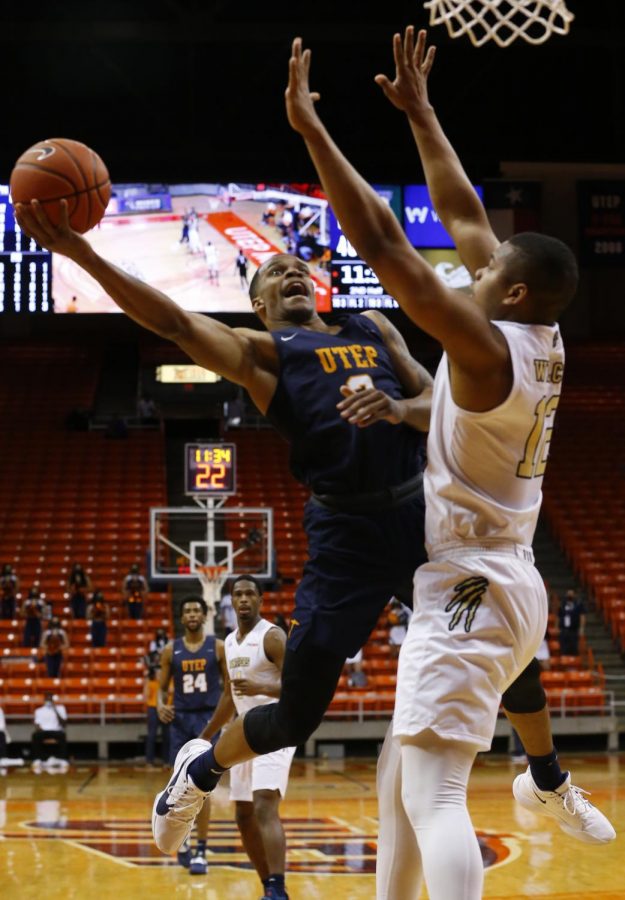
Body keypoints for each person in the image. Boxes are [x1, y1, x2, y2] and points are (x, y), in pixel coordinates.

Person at [13, 130, 599, 865]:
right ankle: (197, 771)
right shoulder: (263, 356)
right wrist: (81, 253)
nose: (291, 272)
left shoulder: (371, 326)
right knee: (292, 717)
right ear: (256, 305)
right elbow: (169, 321)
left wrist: (396, 410)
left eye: (298, 267)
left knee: (509, 653)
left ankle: (547, 774)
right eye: (275, 275)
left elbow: (433, 401)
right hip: (345, 534)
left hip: (423, 518)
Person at [282, 29, 615, 897]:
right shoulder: (528, 333)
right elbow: (465, 214)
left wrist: (314, 133)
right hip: (500, 578)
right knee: (402, 770)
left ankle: (527, 804)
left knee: (433, 791)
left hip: (471, 582)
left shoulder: (477, 346)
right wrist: (423, 115)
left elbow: (388, 244)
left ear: (505, 292)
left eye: (488, 267)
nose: (472, 258)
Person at [201, 577, 295, 900]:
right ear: (230, 601)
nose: (243, 599)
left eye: (249, 594)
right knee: (242, 815)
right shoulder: (228, 642)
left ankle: (279, 890)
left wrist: (263, 688)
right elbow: (229, 695)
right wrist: (205, 736)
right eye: (238, 594)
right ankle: (268, 885)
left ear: (260, 600)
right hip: (245, 732)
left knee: (264, 805)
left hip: (275, 729)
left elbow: (301, 690)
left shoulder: (272, 637)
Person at [156, 596, 226, 875]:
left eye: (197, 609)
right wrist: (161, 704)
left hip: (207, 720)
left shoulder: (218, 647)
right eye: (187, 611)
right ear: (181, 618)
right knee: (178, 787)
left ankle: (201, 849)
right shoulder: (170, 650)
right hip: (181, 721)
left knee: (202, 789)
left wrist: (224, 717)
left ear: (205, 615)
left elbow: (228, 688)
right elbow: (160, 687)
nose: (193, 614)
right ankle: (182, 838)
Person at [32, 693, 69, 773]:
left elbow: (64, 724)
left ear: (53, 700)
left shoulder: (61, 708)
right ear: (44, 700)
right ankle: (37, 759)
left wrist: (55, 710)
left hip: (56, 731)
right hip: (44, 731)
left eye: (50, 699)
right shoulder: (39, 710)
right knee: (36, 735)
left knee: (62, 735)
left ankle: (63, 759)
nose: (49, 701)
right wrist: (40, 730)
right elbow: (37, 725)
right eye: (47, 699)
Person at [145, 665, 169, 769]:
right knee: (151, 735)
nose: (159, 674)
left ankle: (167, 761)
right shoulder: (151, 683)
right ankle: (149, 761)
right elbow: (146, 695)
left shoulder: (167, 683)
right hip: (153, 709)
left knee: (167, 736)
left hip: (165, 709)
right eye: (157, 672)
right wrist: (146, 681)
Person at [558, 588, 586, 657]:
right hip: (564, 631)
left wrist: (581, 628)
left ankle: (574, 665)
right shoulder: (563, 604)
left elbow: (582, 616)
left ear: (574, 595)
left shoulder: (578, 604)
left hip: (573, 630)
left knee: (574, 649)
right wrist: (557, 627)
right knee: (563, 650)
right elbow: (559, 616)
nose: (569, 595)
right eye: (568, 593)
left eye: (571, 593)